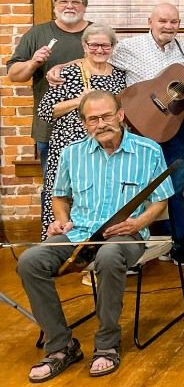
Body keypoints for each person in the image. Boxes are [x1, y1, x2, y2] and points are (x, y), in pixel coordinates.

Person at [17, 90, 173, 382]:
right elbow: (60, 197)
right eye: (93, 119)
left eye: (106, 116)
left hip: (126, 236)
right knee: (30, 261)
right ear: (85, 123)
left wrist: (137, 222)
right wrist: (62, 222)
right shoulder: (71, 153)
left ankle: (107, 343)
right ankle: (61, 346)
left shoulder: (148, 150)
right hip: (79, 233)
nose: (101, 124)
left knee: (109, 254)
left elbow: (160, 201)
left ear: (120, 115)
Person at [110, 3, 184, 266]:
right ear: (150, 21)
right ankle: (131, 250)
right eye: (163, 21)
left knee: (175, 185)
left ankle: (175, 244)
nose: (168, 27)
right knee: (134, 186)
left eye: (174, 22)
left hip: (173, 124)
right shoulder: (128, 47)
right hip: (137, 124)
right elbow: (98, 62)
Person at [37, 24, 126, 239]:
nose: (99, 50)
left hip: (105, 151)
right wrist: (80, 101)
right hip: (69, 149)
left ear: (113, 47)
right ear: (84, 46)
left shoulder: (120, 77)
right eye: (94, 45)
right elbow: (45, 110)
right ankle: (59, 255)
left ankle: (97, 257)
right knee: (64, 199)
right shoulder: (67, 73)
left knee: (97, 201)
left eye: (105, 45)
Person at [6, 0, 90, 174]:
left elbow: (111, 65)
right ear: (54, 6)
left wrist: (64, 65)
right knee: (54, 189)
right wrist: (33, 62)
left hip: (91, 126)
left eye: (76, 2)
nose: (69, 6)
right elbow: (14, 75)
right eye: (63, 1)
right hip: (49, 128)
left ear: (84, 6)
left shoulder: (96, 34)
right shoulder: (38, 34)